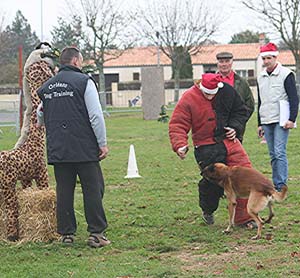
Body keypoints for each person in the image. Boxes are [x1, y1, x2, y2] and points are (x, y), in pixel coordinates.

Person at [37, 47, 110, 248]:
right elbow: (95, 115)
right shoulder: (84, 82)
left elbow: (39, 116)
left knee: (64, 191)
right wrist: (102, 143)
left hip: (59, 147)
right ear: (76, 61)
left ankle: (67, 234)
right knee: (93, 189)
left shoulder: (46, 87)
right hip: (84, 147)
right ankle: (96, 233)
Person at [169, 73, 255, 227]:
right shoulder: (188, 98)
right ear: (200, 87)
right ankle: (208, 210)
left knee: (245, 175)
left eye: (213, 94)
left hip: (229, 141)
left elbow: (240, 111)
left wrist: (235, 127)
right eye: (207, 94)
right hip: (205, 145)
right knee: (213, 183)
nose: (210, 97)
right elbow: (178, 123)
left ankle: (244, 218)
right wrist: (180, 144)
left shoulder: (227, 91)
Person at [257, 42, 299, 192]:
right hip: (266, 119)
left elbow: (294, 98)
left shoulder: (286, 74)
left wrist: (292, 119)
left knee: (280, 151)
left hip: (281, 120)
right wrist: (259, 123)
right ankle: (275, 183)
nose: (266, 61)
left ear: (275, 57)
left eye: (269, 58)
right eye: (264, 59)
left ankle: (281, 185)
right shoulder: (261, 77)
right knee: (273, 153)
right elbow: (260, 101)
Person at [216, 51, 255, 142]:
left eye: (227, 61)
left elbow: (249, 106)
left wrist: (237, 124)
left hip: (235, 131)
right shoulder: (211, 82)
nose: (224, 64)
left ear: (232, 62)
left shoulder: (242, 83)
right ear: (217, 63)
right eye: (221, 62)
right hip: (214, 131)